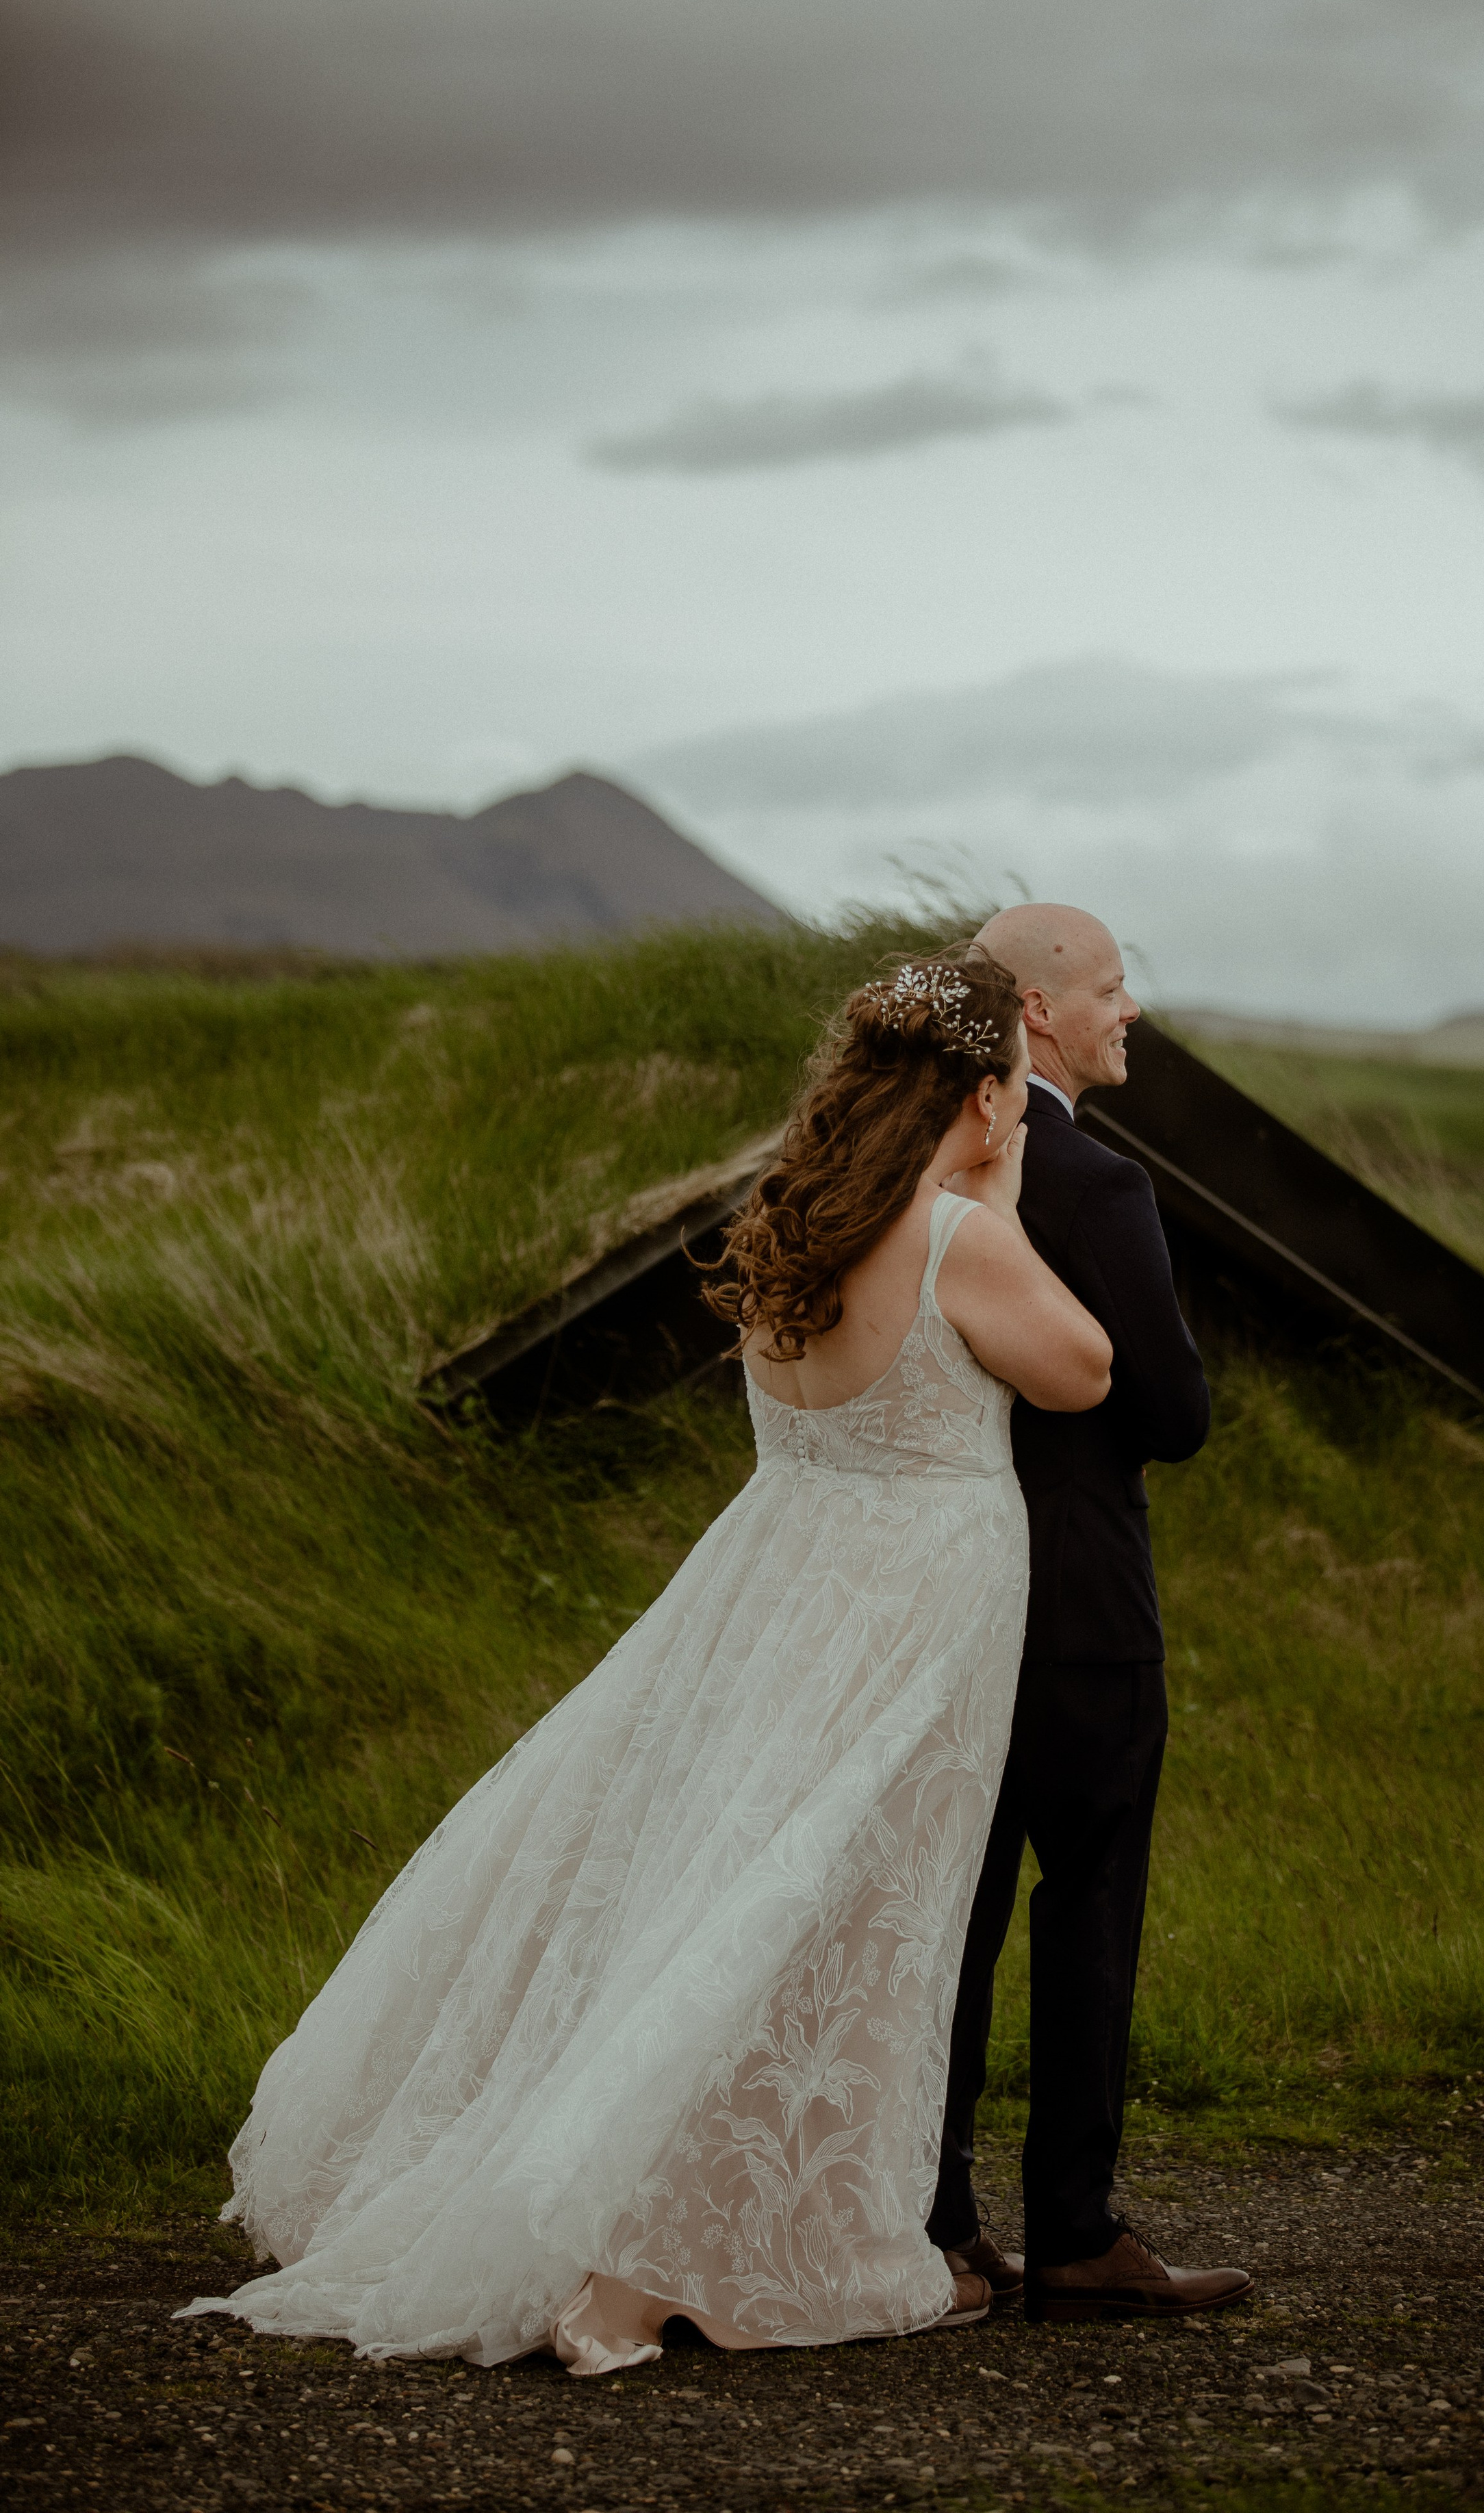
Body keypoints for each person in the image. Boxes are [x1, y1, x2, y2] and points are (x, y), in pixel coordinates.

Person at [180, 949, 1111, 2375]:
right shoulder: (952, 1237)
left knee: (730, 1886)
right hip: (909, 1609)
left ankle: (667, 2224)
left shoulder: (791, 1223)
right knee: (845, 1912)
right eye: (1005, 1104)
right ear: (987, 1099)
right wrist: (995, 1199)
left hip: (774, 1582)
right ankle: (702, 2255)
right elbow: (1082, 1369)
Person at [927, 904, 1253, 2323]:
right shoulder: (1101, 1189)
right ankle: (1071, 2230)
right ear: (1039, 1015)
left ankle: (930, 2223)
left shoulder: (914, 1172)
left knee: (951, 1919)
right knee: (1089, 1904)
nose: (1133, 1013)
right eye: (1113, 990)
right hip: (1080, 1605)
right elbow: (1171, 1415)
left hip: (936, 1596)